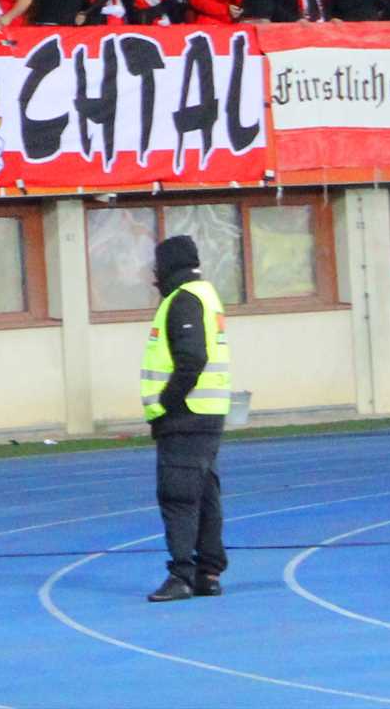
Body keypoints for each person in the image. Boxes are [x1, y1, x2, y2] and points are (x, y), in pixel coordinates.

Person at [142, 232, 229, 601]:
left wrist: (166, 403)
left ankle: (181, 575)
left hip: (186, 416)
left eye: (157, 267)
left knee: (178, 495)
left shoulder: (183, 300)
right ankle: (208, 572)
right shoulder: (205, 295)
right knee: (204, 493)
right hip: (207, 413)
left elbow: (192, 358)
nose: (153, 275)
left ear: (168, 266)